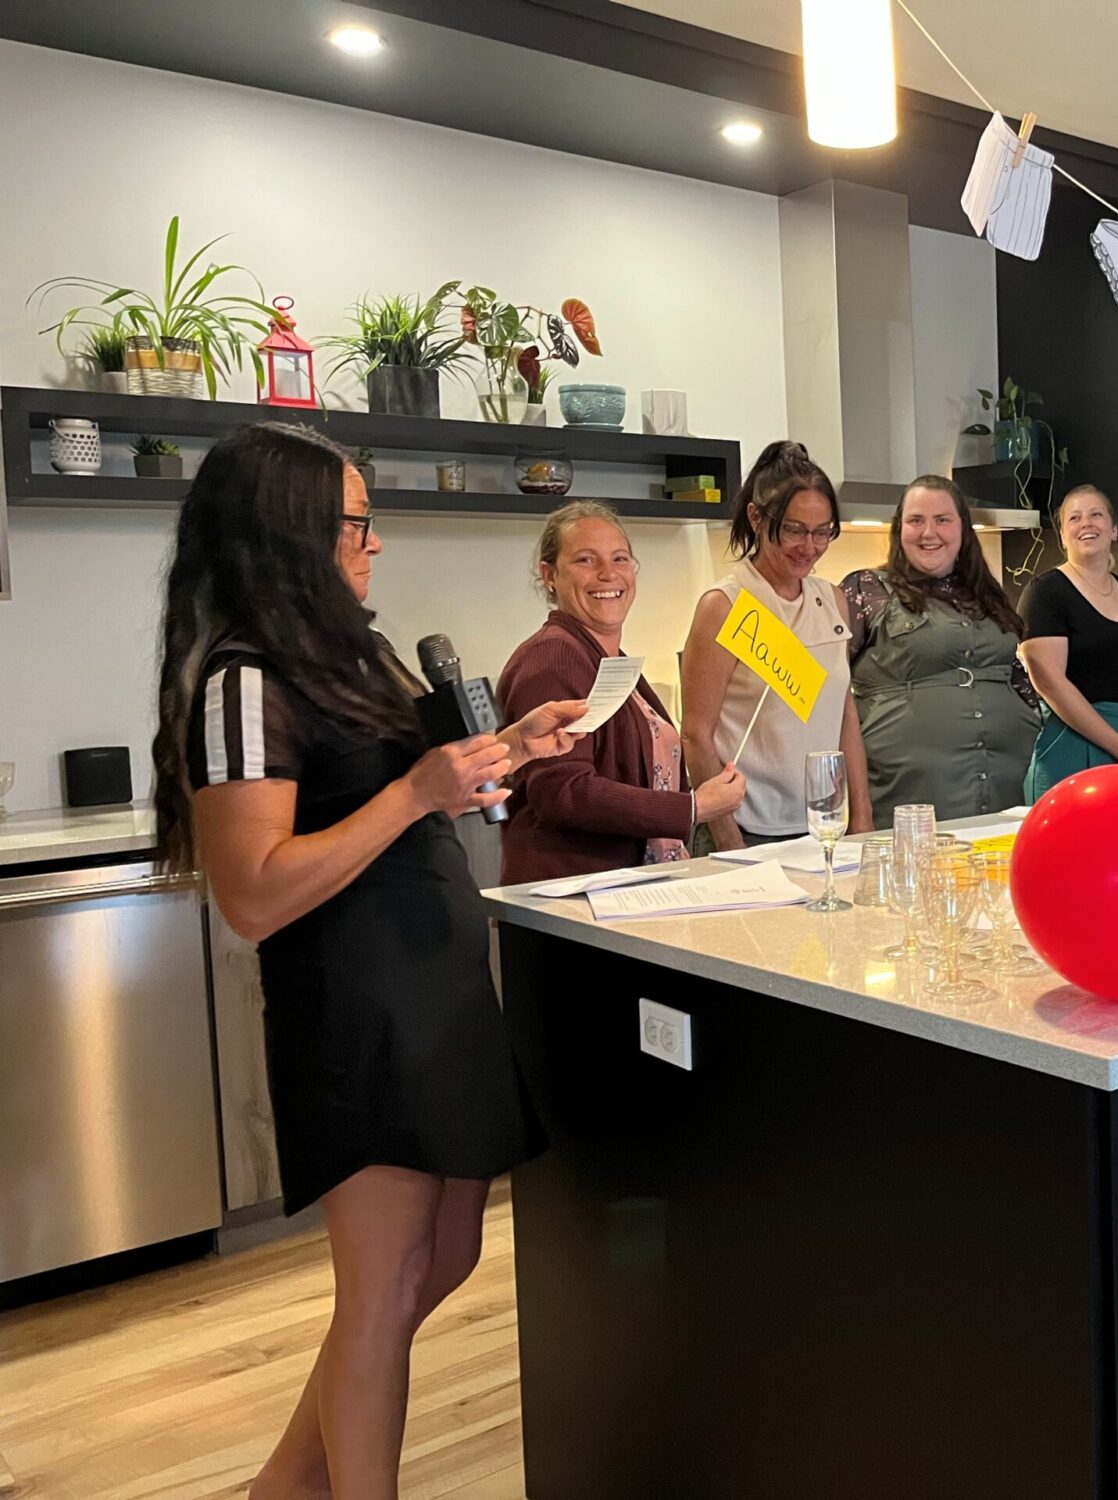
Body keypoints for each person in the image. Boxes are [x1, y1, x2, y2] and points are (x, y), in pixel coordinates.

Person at [149, 423, 586, 1498]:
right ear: (289, 533)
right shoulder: (242, 685)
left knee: (442, 1259)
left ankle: (283, 1487)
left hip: (429, 987)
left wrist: (512, 747)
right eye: (355, 522)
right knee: (383, 1287)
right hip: (356, 1008)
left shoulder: (350, 653)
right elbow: (252, 893)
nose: (373, 544)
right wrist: (415, 793)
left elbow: (413, 790)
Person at [496, 500, 747, 885]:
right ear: (549, 575)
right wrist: (693, 807)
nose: (608, 574)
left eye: (620, 559)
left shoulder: (604, 658)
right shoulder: (553, 658)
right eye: (585, 560)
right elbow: (563, 792)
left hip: (620, 898)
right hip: (571, 909)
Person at [681, 441, 873, 849]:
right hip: (747, 829)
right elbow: (696, 735)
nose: (810, 547)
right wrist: (728, 838)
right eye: (794, 530)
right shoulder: (726, 605)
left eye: (823, 533)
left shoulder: (832, 599)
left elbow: (843, 712)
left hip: (823, 827)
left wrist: (861, 817)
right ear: (756, 517)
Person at [841, 475, 1041, 820]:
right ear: (898, 529)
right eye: (916, 520)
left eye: (942, 520)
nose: (928, 533)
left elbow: (1012, 671)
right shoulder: (867, 589)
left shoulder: (986, 594)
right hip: (906, 798)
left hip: (1007, 785)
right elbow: (829, 686)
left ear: (962, 529)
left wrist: (1029, 717)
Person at [1019, 484, 1118, 799]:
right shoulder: (1045, 592)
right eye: (1074, 518)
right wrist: (1115, 743)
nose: (1086, 523)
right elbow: (1049, 681)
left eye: (1096, 515)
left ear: (1113, 530)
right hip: (1073, 747)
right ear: (1062, 536)